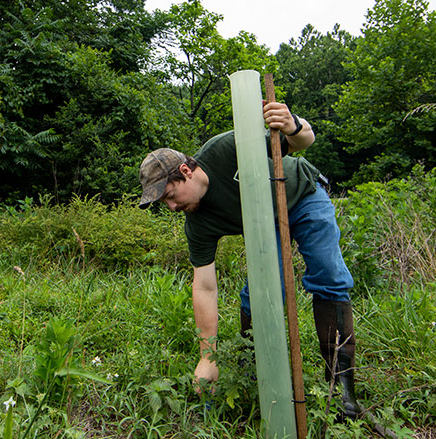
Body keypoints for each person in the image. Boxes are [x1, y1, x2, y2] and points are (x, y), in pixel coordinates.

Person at [137, 102, 362, 418]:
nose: (171, 207)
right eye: (164, 203)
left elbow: (304, 141)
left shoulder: (225, 149)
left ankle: (342, 391)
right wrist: (207, 357)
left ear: (185, 172)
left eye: (170, 196)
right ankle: (254, 375)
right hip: (265, 221)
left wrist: (292, 123)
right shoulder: (197, 223)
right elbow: (204, 287)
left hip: (303, 195)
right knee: (257, 295)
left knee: (328, 274)